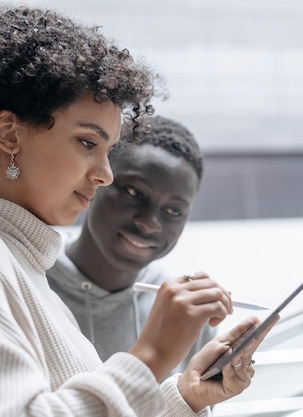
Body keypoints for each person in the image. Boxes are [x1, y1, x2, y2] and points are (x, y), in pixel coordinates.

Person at [0, 5, 273, 417]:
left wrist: (183, 397)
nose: (105, 174)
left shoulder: (19, 266)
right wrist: (150, 357)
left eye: (108, 151)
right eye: (88, 143)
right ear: (8, 132)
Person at [46, 115, 215, 376]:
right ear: (97, 182)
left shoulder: (184, 311)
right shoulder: (30, 280)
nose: (149, 223)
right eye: (134, 193)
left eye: (173, 211)